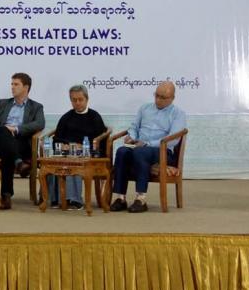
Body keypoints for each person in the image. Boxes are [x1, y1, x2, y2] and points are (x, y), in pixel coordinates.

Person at [110, 81, 187, 213]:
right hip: (140, 147)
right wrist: (132, 137)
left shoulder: (178, 114)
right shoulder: (145, 108)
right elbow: (134, 127)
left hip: (162, 152)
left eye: (163, 97)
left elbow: (173, 140)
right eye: (156, 95)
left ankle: (141, 199)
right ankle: (120, 198)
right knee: (122, 151)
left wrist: (147, 144)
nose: (158, 100)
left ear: (172, 98)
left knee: (141, 152)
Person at [0, 73, 45, 209]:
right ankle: (19, 163)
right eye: (12, 84)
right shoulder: (2, 103)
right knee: (3, 133)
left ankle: (6, 196)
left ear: (26, 87)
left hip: (20, 143)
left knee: (7, 153)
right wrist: (0, 129)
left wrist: (16, 129)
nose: (12, 87)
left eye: (16, 84)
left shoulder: (36, 107)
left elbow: (40, 124)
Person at [47, 84, 107, 210]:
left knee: (74, 159)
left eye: (80, 100)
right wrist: (64, 145)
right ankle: (56, 199)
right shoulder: (66, 117)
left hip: (86, 152)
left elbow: (100, 141)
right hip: (67, 151)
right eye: (74, 100)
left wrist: (84, 147)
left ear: (87, 99)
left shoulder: (94, 117)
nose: (77, 103)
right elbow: (56, 139)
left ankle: (74, 200)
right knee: (53, 161)